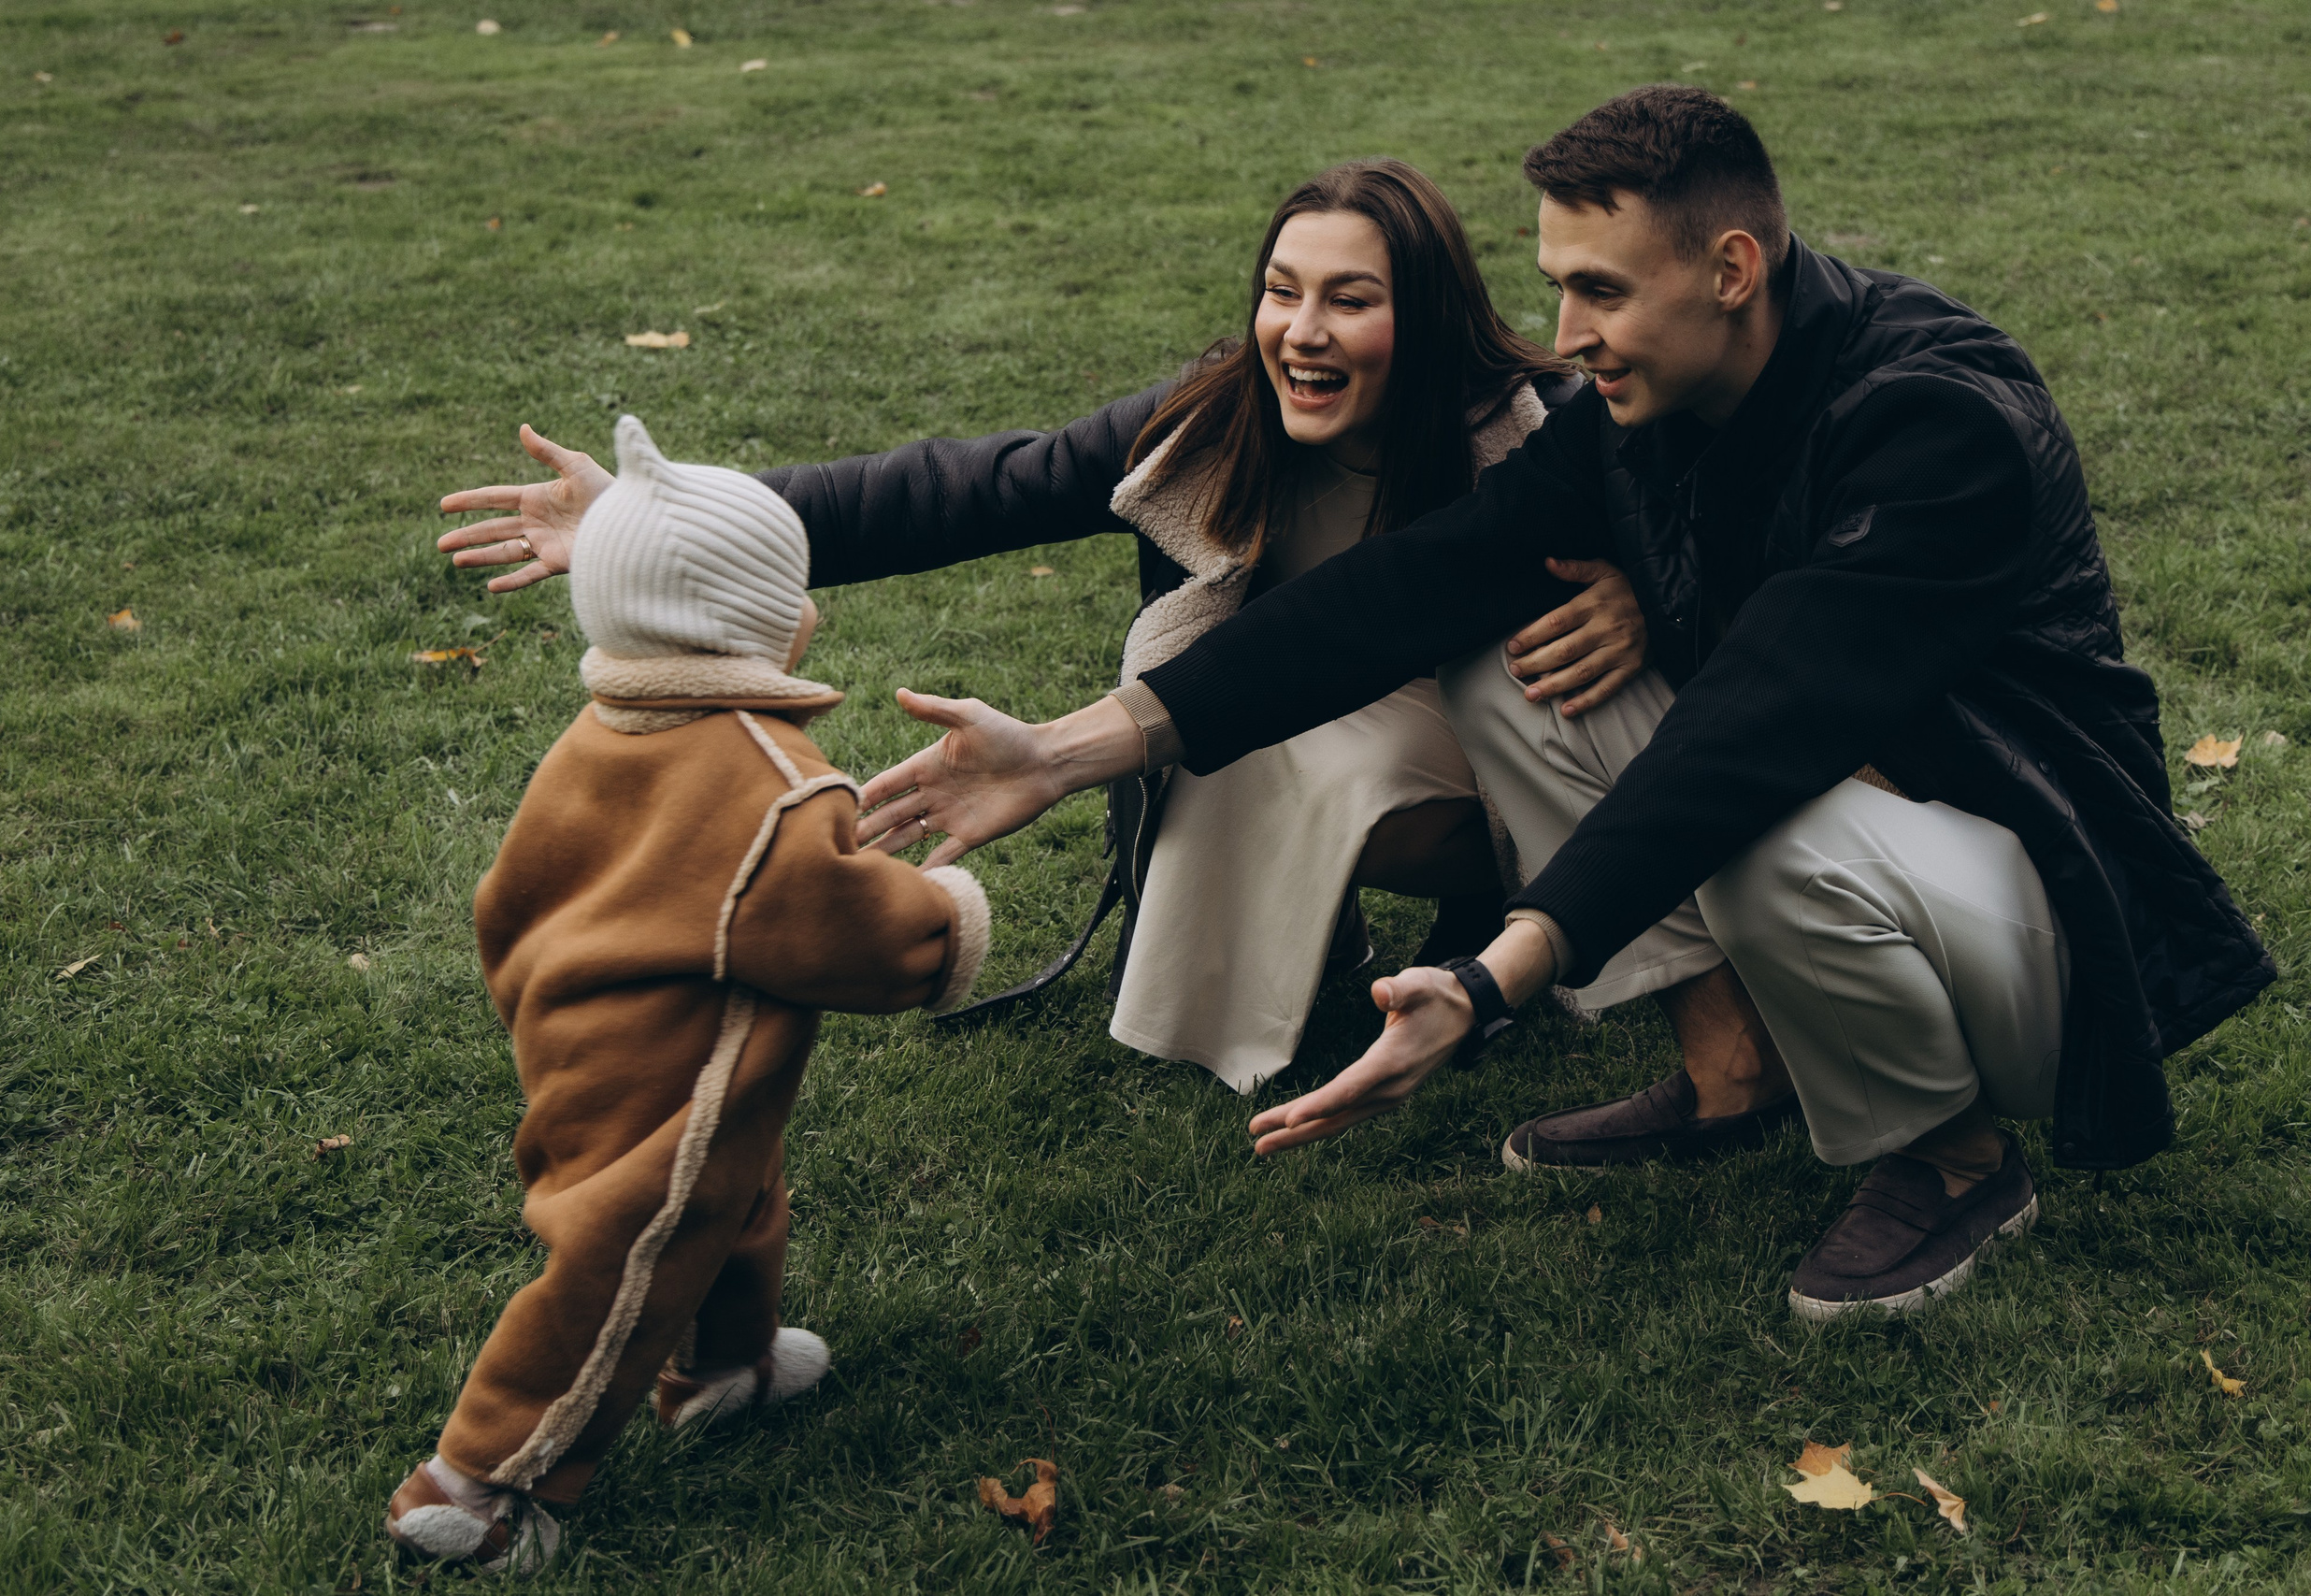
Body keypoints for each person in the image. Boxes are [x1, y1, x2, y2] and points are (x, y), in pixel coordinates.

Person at [851, 87, 2274, 1318]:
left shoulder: (1937, 419)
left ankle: (1953, 1159)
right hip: (1864, 826)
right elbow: (1407, 589)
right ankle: (1730, 1073)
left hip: (2043, 899)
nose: (1566, 333)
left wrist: (1493, 976)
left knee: (1758, 819)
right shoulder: (1648, 410)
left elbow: (1753, 730)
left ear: (1731, 268)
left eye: (1600, 291)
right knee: (1509, 656)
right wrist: (1073, 751)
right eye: (1556, 287)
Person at [435, 160, 1783, 1097]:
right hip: (1285, 708)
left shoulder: (1541, 427)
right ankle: (1311, 958)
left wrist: (1642, 590)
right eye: (1281, 290)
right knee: (1241, 710)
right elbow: (962, 489)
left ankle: (1506, 934)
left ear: (1421, 318)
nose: (1301, 331)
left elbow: (1732, 535)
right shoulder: (1215, 422)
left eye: (1350, 299)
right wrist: (664, 513)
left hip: (1495, 758)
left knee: (1386, 733)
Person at [386, 418, 992, 1572]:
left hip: (576, 1019)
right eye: (794, 590)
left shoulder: (610, 726)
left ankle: (725, 1368)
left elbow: (515, 889)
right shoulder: (769, 785)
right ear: (753, 621)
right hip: (670, 1062)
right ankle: (482, 1483)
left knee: (737, 1198)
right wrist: (945, 917)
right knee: (627, 1253)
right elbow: (843, 930)